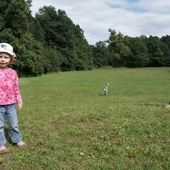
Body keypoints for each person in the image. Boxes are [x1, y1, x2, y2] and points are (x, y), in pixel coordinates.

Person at [0, 43, 25, 154]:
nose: (2, 59)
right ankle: (1, 144)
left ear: (11, 59)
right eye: (0, 56)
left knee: (14, 124)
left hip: (10, 104)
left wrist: (19, 100)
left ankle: (17, 139)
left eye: (5, 57)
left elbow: (16, 88)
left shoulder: (12, 73)